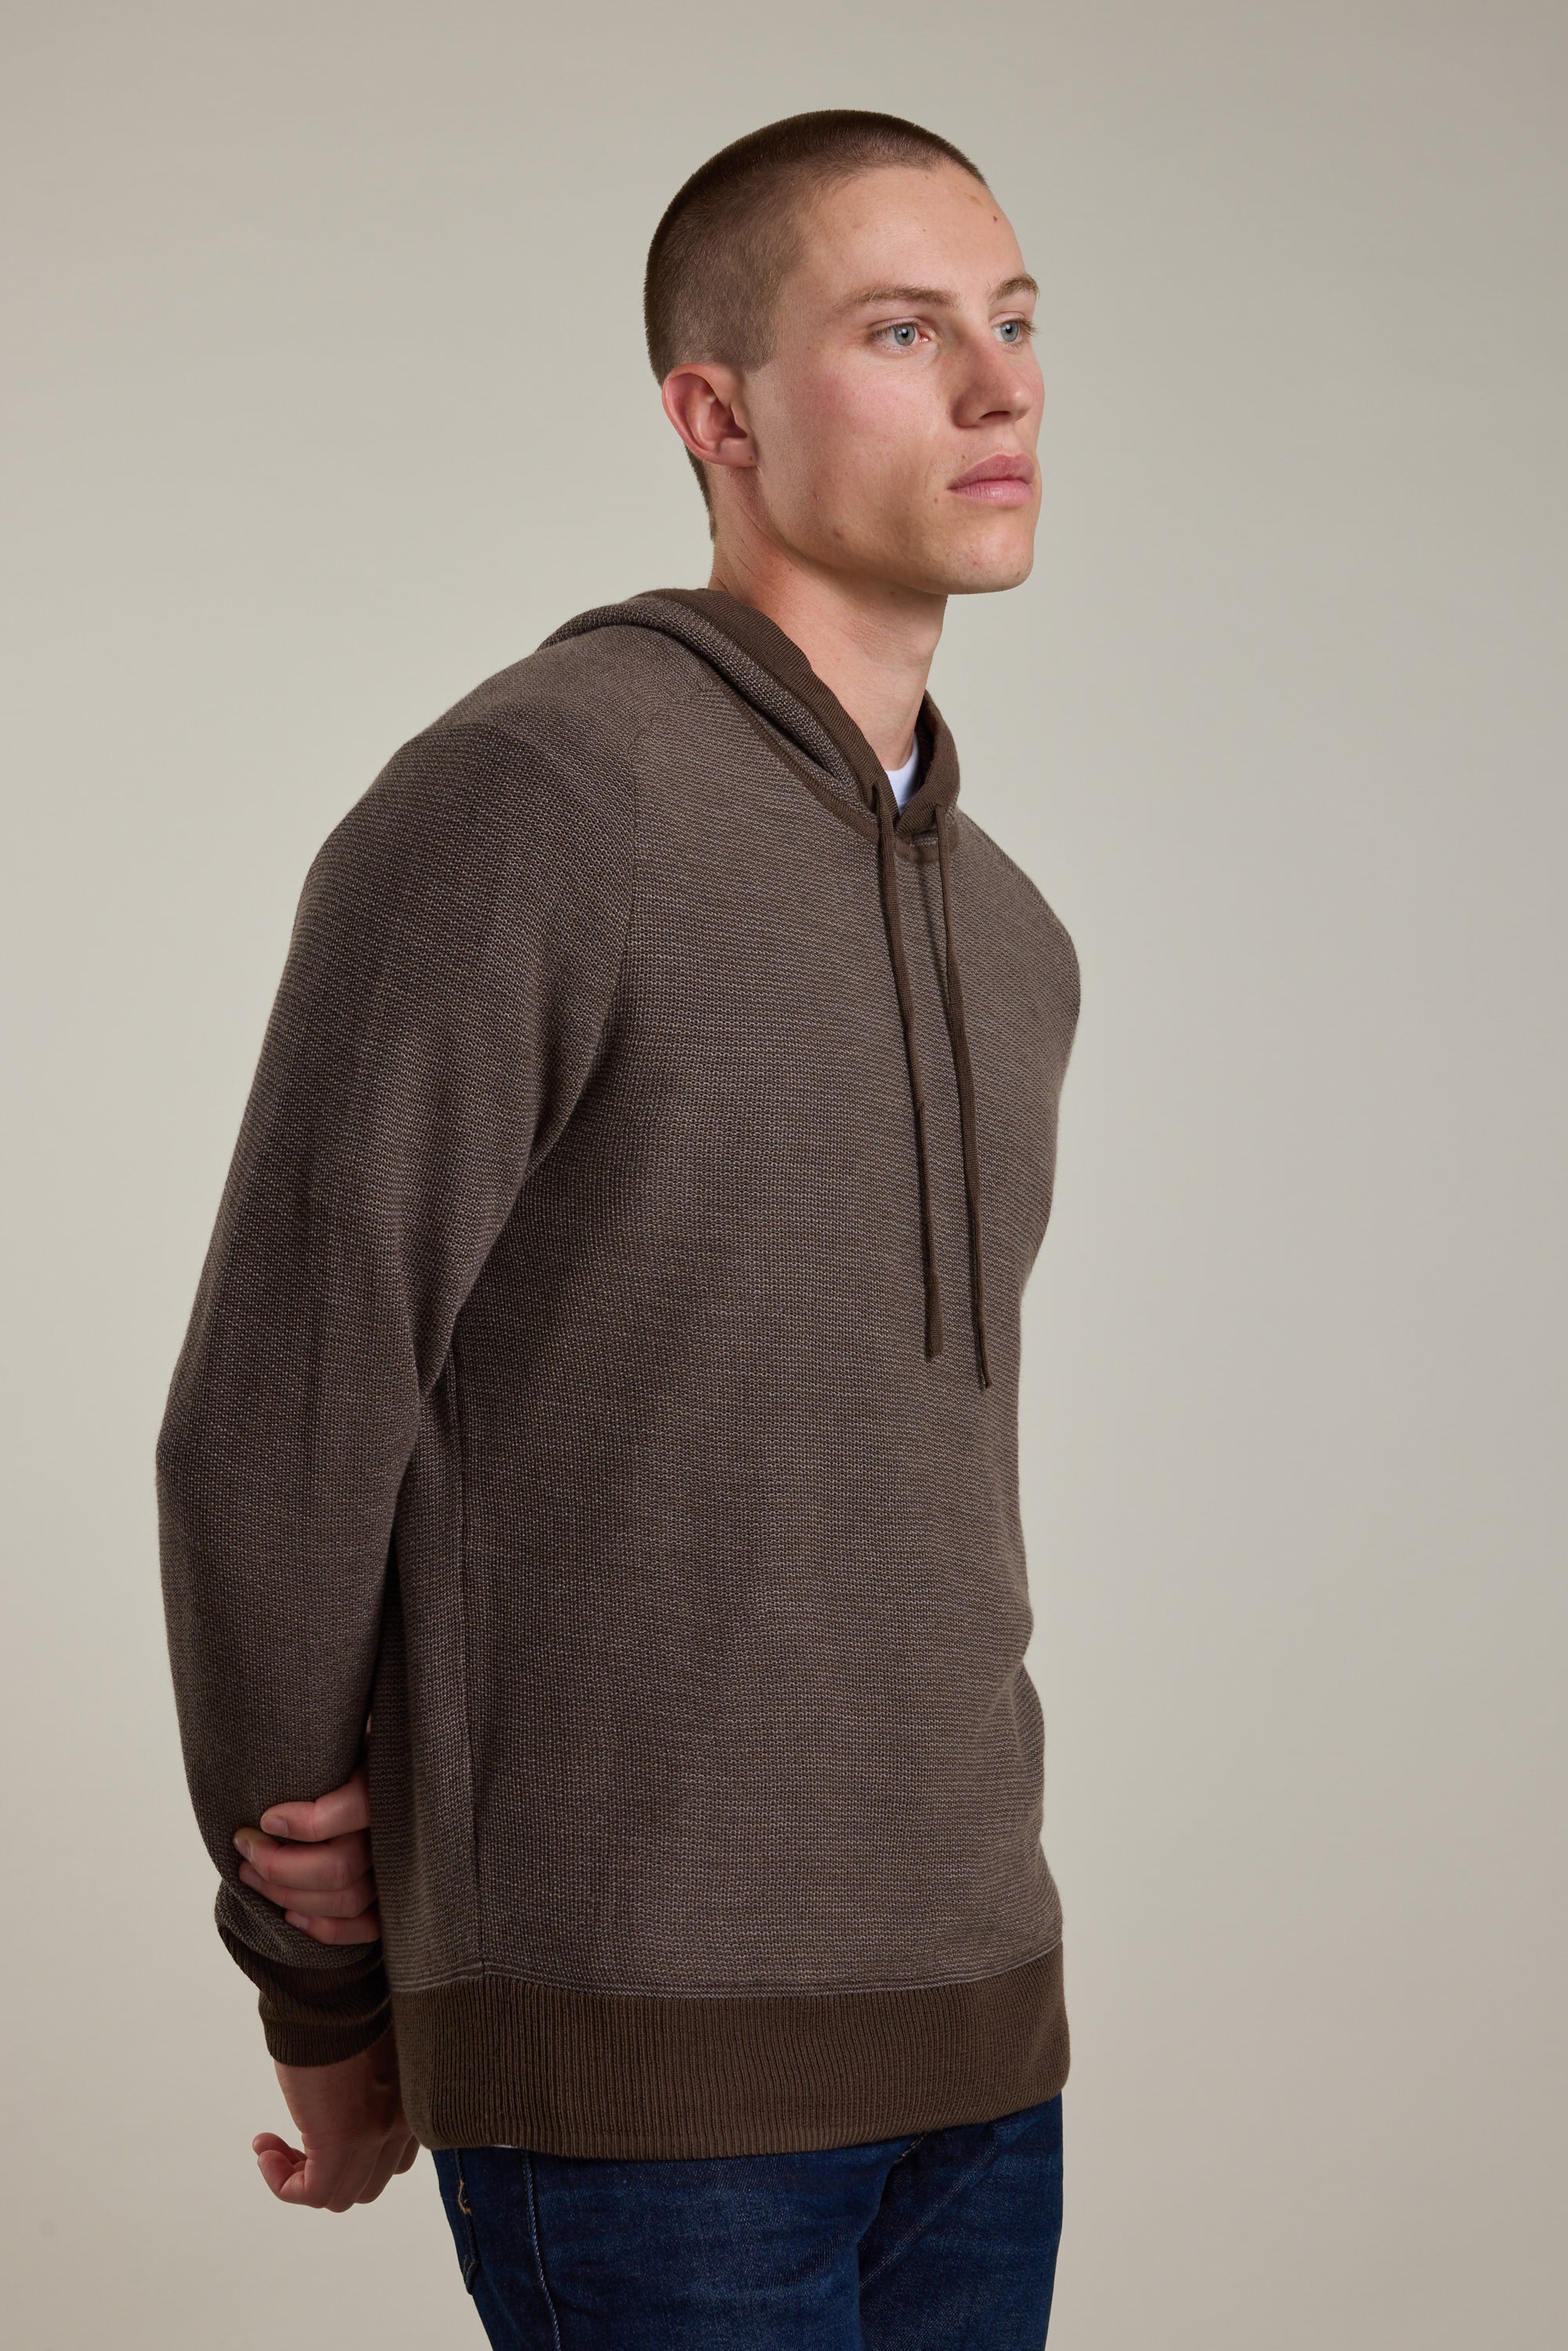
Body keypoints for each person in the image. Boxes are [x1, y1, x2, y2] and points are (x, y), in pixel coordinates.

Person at [157, 109, 1080, 2349]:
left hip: (982, 2038)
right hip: (644, 2067)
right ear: (715, 412)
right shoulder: (534, 799)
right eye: (901, 327)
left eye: (1018, 322)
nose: (999, 387)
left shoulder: (1016, 935)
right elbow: (280, 1418)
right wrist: (324, 1974)